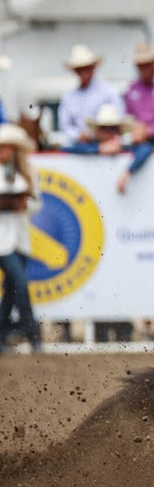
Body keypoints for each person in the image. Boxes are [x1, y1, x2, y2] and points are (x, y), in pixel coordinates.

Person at [0, 123, 41, 353]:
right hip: (2, 240)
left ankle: (2, 334)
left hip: (21, 239)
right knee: (19, 282)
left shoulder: (28, 174)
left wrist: (23, 203)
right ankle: (32, 331)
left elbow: (36, 203)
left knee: (11, 289)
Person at [68, 104, 152, 195]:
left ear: (119, 130)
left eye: (112, 128)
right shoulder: (91, 145)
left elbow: (146, 148)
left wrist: (128, 171)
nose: (108, 132)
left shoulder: (125, 146)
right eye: (104, 128)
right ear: (97, 130)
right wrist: (99, 148)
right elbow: (68, 148)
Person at [56, 44, 124, 148]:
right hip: (79, 145)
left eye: (87, 68)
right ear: (75, 71)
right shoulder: (68, 97)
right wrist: (78, 135)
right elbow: (64, 125)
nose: (84, 72)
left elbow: (119, 119)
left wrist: (102, 134)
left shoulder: (108, 92)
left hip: (106, 144)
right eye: (80, 69)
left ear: (93, 67)